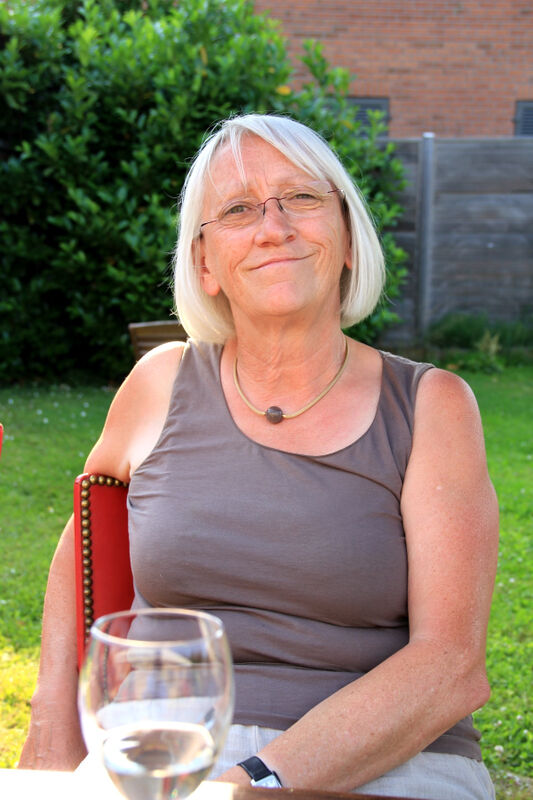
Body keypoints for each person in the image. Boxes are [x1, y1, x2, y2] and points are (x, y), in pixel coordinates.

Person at [19, 113, 498, 799]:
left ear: (347, 239)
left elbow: (450, 664)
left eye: (300, 197)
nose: (274, 227)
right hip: (164, 745)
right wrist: (52, 717)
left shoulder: (431, 406)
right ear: (204, 263)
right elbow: (90, 535)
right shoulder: (159, 383)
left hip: (390, 756)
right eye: (239, 209)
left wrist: (253, 782)